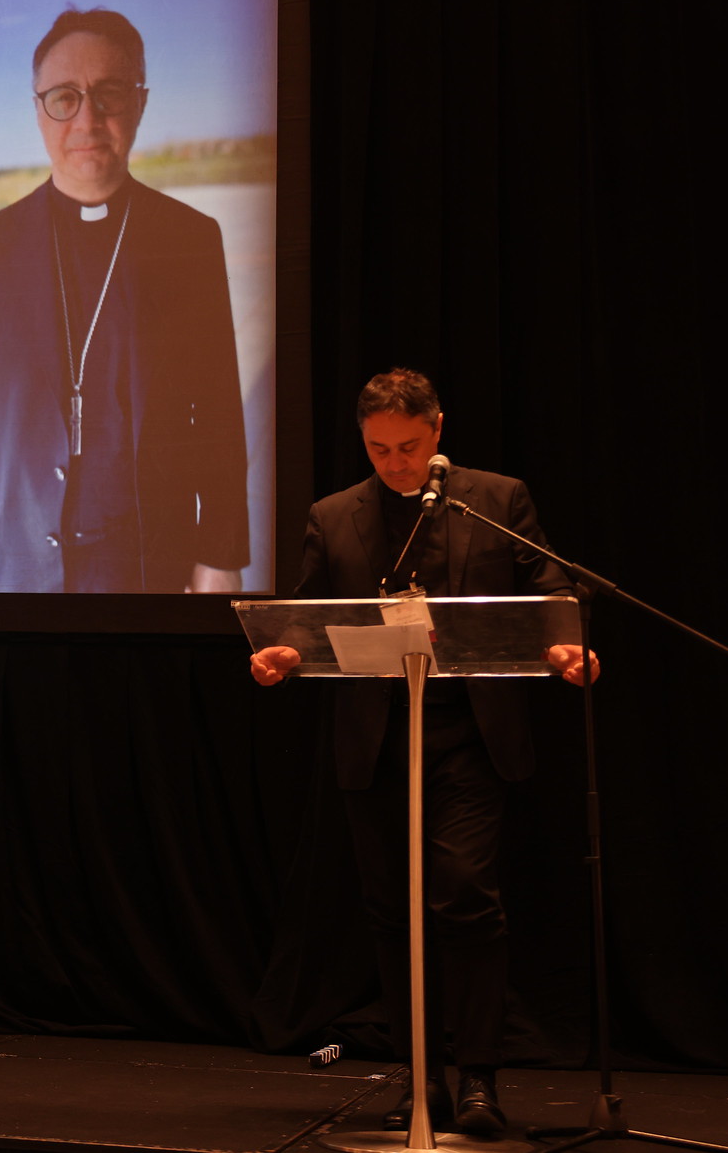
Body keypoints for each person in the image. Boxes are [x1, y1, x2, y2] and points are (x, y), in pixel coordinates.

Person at [249, 369, 596, 1138]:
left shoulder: (497, 499)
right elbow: (303, 621)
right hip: (377, 741)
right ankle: (419, 1082)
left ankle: (478, 1079)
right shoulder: (334, 517)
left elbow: (548, 584)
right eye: (379, 450)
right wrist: (281, 656)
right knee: (390, 912)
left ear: (438, 430)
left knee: (465, 897)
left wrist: (566, 643)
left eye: (408, 447)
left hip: (470, 737)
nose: (396, 464)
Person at [0, 7, 249, 594]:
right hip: (11, 563)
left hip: (148, 565)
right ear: (39, 109)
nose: (87, 119)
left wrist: (220, 553)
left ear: (141, 102)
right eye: (64, 97)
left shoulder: (190, 241)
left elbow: (219, 410)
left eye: (110, 93)